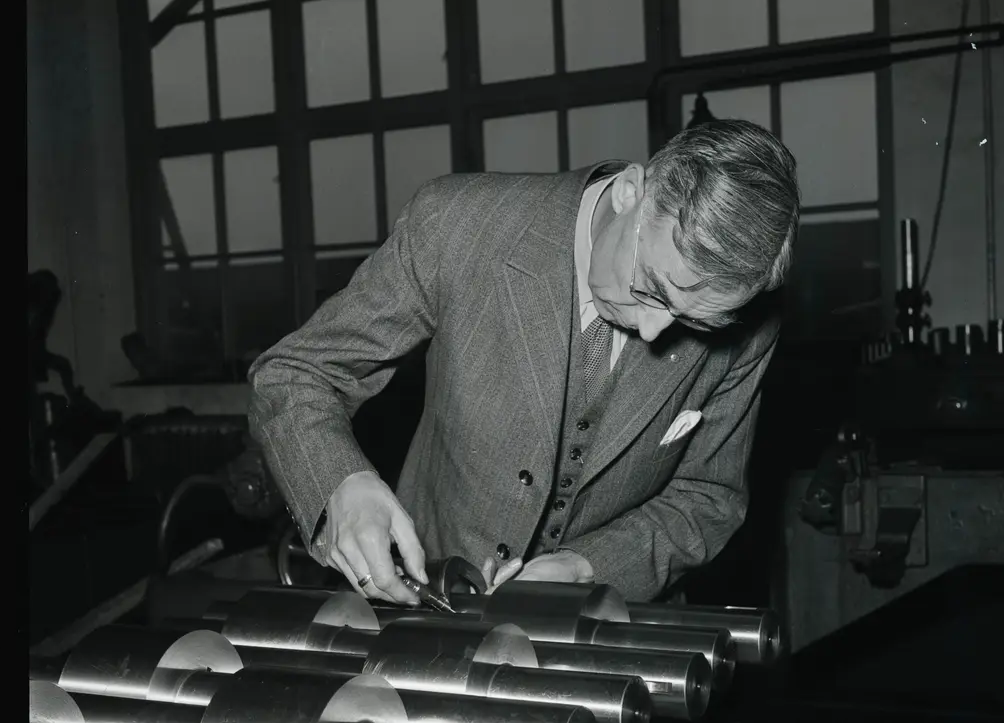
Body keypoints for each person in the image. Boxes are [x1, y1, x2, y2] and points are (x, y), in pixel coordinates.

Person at [249, 119, 800, 607]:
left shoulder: (749, 326)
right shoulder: (457, 226)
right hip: (432, 608)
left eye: (697, 322)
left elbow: (707, 498)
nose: (655, 330)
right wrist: (341, 483)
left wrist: (589, 568)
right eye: (651, 287)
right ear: (631, 193)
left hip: (610, 631)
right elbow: (297, 373)